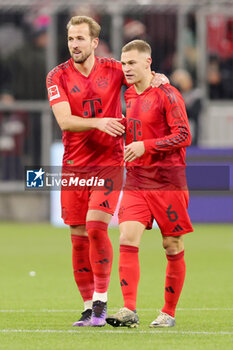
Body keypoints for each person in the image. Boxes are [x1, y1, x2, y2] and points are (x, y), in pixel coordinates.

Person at [46, 16, 169, 327]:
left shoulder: (114, 69)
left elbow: (141, 79)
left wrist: (158, 78)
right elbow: (64, 120)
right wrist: (99, 122)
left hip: (109, 162)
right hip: (74, 165)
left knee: (96, 227)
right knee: (77, 235)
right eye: (71, 39)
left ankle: (101, 301)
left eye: (80, 39)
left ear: (94, 42)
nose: (74, 45)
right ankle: (88, 307)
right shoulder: (56, 76)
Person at [106, 40, 193, 328]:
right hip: (137, 180)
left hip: (168, 182)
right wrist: (122, 129)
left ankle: (168, 313)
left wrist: (147, 146)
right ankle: (128, 310)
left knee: (171, 244)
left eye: (132, 62)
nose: (126, 68)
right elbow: (139, 127)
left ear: (148, 62)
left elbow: (183, 135)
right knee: (127, 238)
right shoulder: (129, 95)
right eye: (123, 62)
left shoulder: (168, 94)